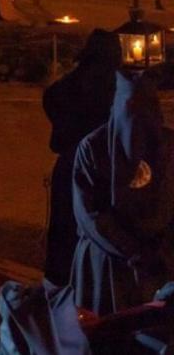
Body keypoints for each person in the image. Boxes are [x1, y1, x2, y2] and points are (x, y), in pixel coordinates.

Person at [71, 72, 174, 316]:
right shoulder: (93, 148)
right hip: (107, 264)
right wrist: (133, 251)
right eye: (132, 109)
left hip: (161, 259)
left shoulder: (169, 145)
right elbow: (90, 214)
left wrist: (159, 249)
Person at [40, 29, 120, 286]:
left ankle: (61, 279)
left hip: (71, 163)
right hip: (99, 167)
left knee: (66, 224)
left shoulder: (77, 80)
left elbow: (51, 96)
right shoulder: (112, 83)